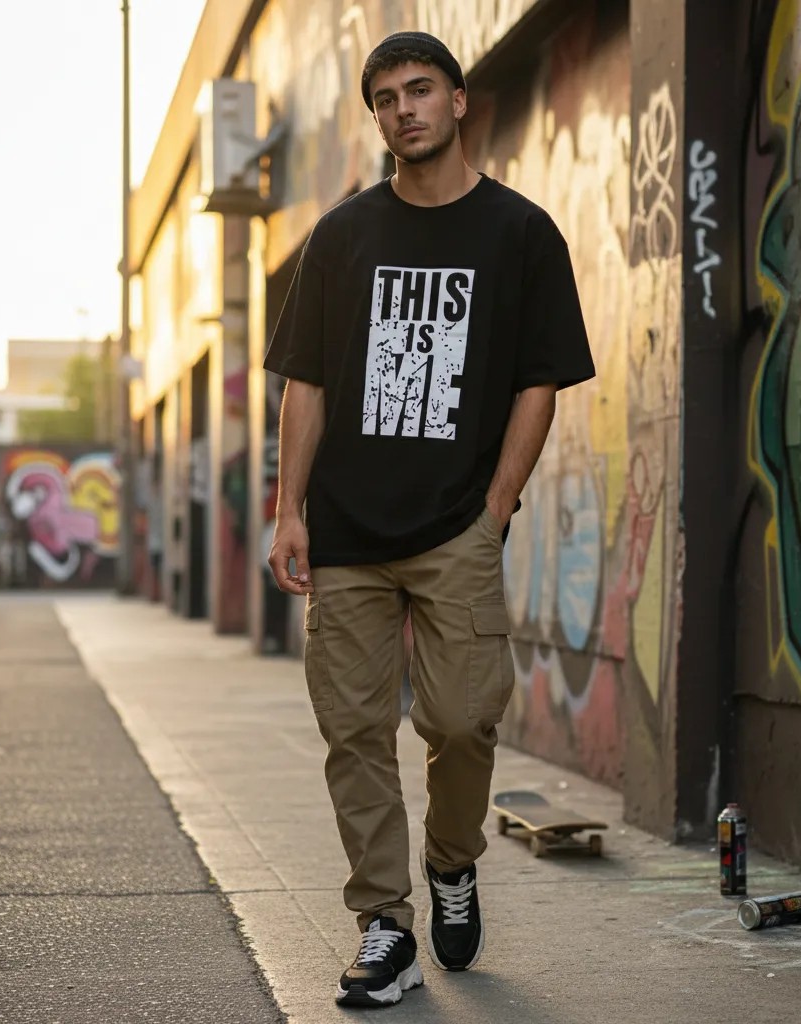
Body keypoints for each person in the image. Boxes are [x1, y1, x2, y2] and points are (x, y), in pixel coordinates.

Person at [264, 30, 595, 1009]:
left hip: (457, 528)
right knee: (354, 731)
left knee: (461, 717)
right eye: (384, 97)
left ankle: (452, 860)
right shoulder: (342, 236)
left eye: (418, 90)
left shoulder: (520, 232)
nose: (401, 109)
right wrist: (288, 510)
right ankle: (385, 925)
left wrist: (494, 509)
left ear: (458, 101)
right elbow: (306, 382)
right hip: (347, 534)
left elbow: (540, 382)